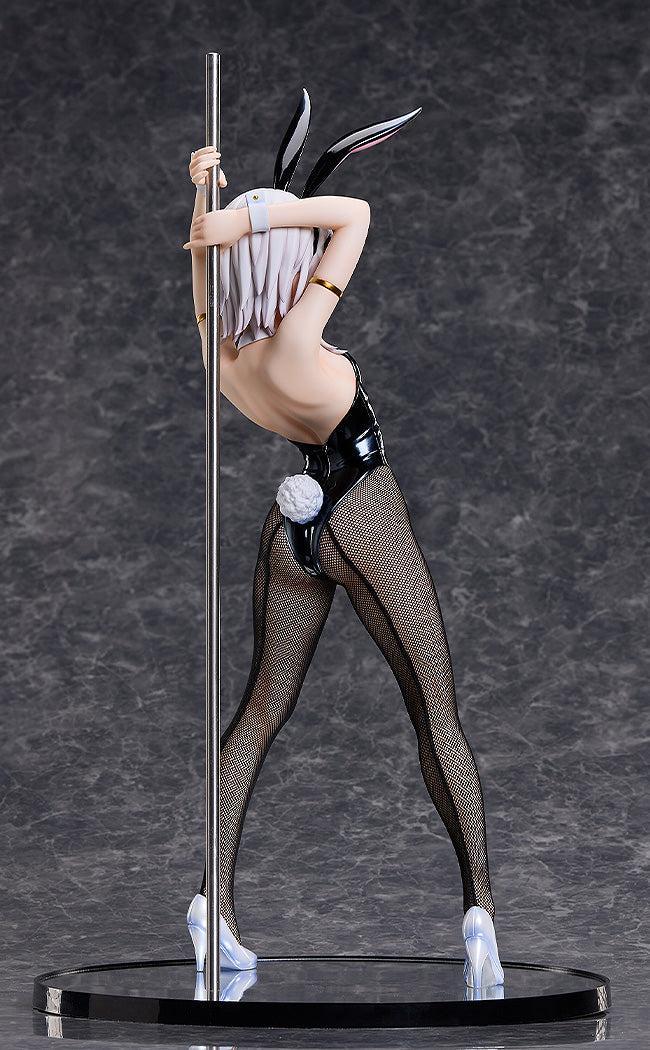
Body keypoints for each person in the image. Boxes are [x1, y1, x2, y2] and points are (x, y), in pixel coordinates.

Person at [181, 90, 505, 990]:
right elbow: (354, 212)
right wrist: (257, 216)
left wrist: (205, 213)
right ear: (290, 255)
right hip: (361, 508)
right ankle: (481, 912)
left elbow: (206, 292)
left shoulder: (227, 357)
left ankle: (212, 903)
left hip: (292, 526)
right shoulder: (298, 341)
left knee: (259, 710)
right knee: (434, 710)